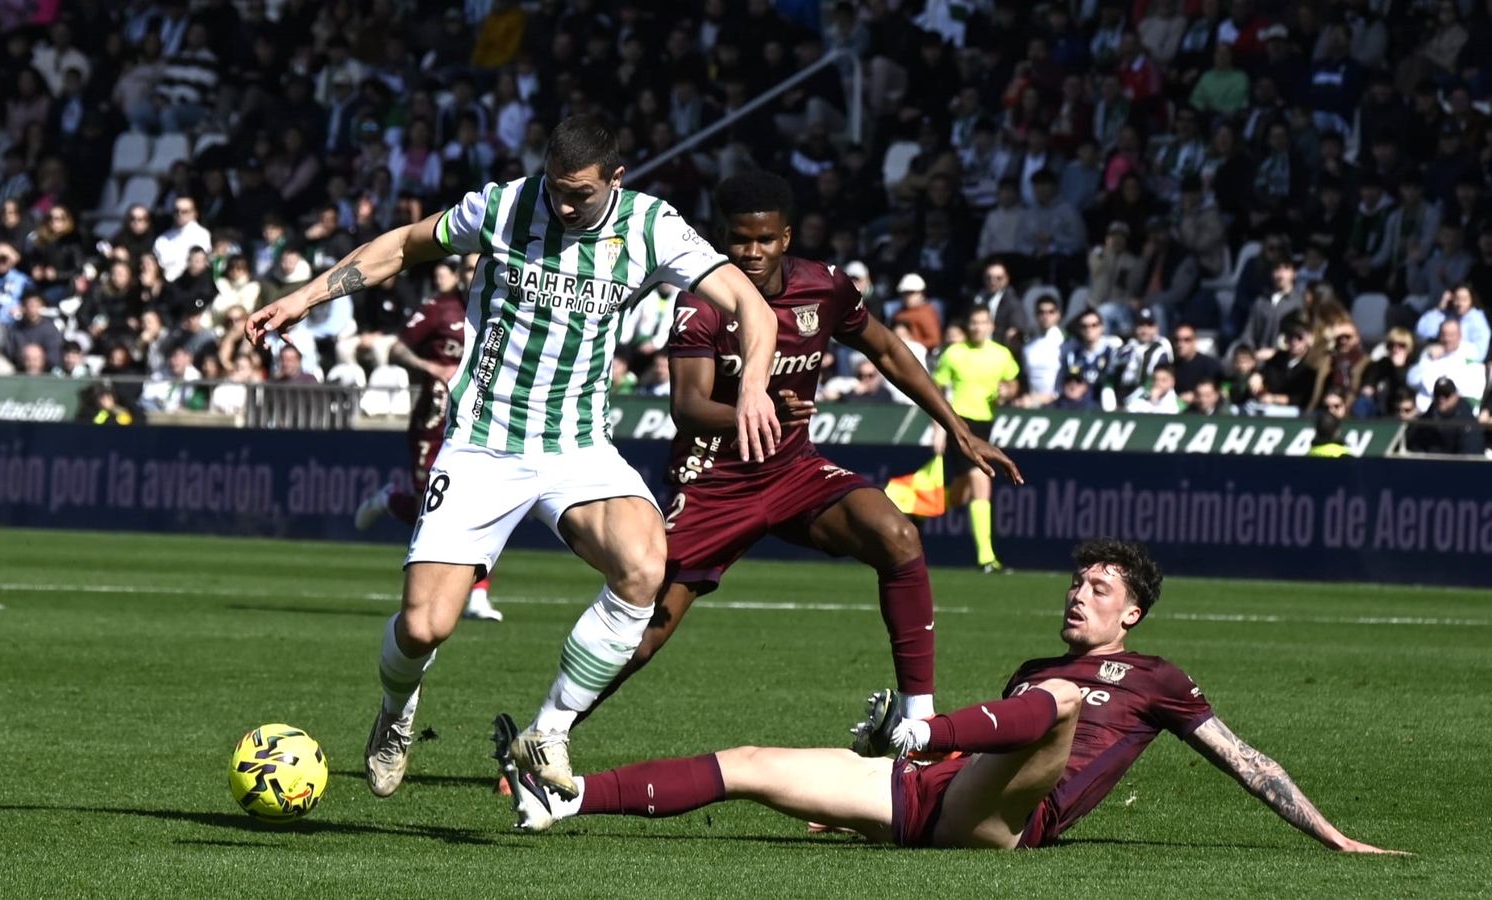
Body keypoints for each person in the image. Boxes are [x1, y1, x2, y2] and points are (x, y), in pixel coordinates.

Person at [247, 114, 783, 802]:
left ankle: (550, 731)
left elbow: (751, 305)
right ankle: (396, 711)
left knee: (646, 567)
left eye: (580, 195)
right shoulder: (502, 206)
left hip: (578, 445)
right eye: (556, 189)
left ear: (615, 181)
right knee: (423, 625)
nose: (563, 205)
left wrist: (755, 390)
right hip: (483, 444)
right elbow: (404, 246)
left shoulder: (652, 226)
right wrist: (306, 296)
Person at [494, 539, 1404, 856]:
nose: (1079, 594)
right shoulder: (1029, 670)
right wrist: (859, 804)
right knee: (751, 764)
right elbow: (986, 742)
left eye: (1099, 588)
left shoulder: (1152, 678)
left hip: (1011, 820)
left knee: (1059, 703)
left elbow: (1247, 759)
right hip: (938, 792)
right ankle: (564, 795)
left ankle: (909, 728)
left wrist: (1331, 835)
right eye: (1077, 582)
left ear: (1134, 610)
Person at [571, 172, 1019, 733]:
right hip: (715, 483)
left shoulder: (824, 287)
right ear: (720, 239)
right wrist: (755, 414)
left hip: (792, 470)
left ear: (786, 237)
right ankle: (551, 730)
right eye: (739, 240)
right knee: (647, 632)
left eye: (764, 240)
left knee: (897, 536)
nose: (751, 253)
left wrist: (956, 428)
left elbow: (885, 347)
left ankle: (917, 726)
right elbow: (687, 407)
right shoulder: (702, 303)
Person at [354, 255, 502, 623]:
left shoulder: (503, 303)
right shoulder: (439, 308)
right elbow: (398, 348)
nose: (472, 274)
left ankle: (478, 595)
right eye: (467, 269)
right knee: (429, 509)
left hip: (483, 418)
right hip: (434, 417)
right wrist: (430, 367)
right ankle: (393, 500)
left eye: (477, 268)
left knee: (484, 506)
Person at [933, 305, 1020, 573]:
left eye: (983, 322)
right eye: (974, 322)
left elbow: (1013, 383)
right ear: (968, 325)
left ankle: (914, 508)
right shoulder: (954, 353)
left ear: (991, 326)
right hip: (960, 425)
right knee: (981, 483)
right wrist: (938, 428)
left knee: (961, 494)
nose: (978, 327)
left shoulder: (1001, 354)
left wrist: (1007, 392)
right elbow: (935, 391)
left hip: (986, 424)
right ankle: (987, 558)